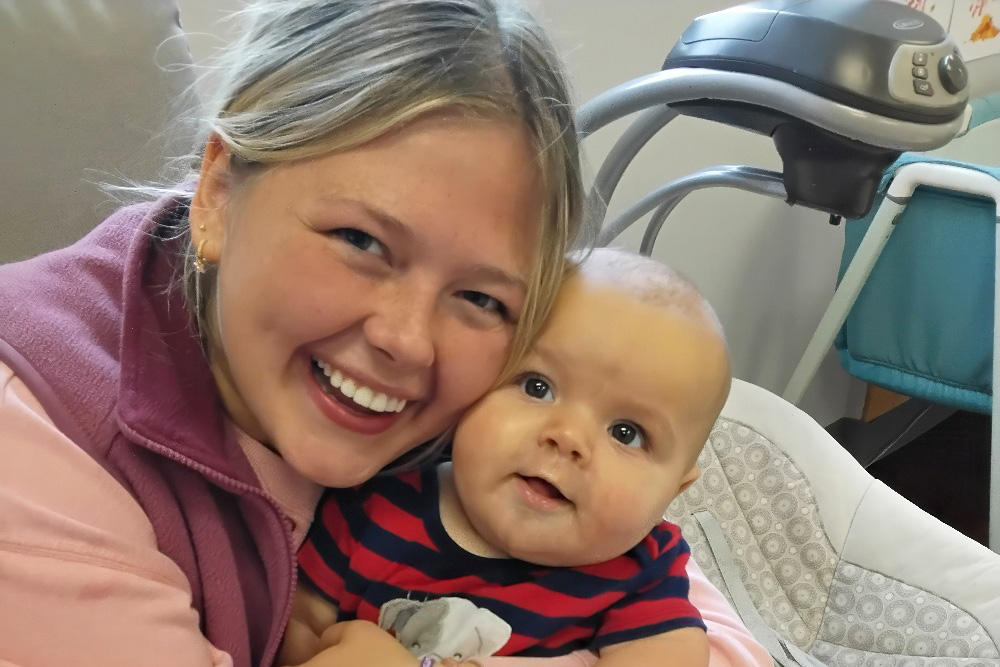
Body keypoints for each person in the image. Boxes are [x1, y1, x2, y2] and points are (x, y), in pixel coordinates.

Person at [0, 2, 770, 667]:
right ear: (218, 191)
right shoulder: (35, 460)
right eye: (360, 241)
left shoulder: (489, 409)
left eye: (478, 295)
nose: (407, 340)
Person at [289, 247, 733, 667]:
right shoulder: (371, 503)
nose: (567, 437)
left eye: (626, 433)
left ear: (673, 491)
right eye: (536, 386)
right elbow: (295, 628)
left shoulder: (639, 573)